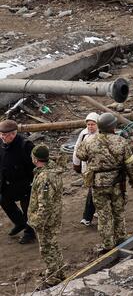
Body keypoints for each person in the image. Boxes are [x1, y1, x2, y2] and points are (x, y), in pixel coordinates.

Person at [75, 113, 133, 253]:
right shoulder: (121, 141)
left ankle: (107, 244)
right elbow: (130, 164)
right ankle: (121, 238)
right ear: (113, 126)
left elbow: (80, 155)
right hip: (117, 183)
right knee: (118, 212)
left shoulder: (89, 141)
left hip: (98, 184)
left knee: (103, 215)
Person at [28, 144, 65, 287]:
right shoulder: (51, 170)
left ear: (35, 158)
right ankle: (59, 271)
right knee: (53, 244)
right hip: (54, 215)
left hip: (47, 219)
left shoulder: (45, 177)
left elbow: (45, 204)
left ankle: (53, 278)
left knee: (47, 248)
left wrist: (37, 221)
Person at [0, 119, 36, 244]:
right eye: (1, 134)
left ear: (13, 134)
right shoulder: (1, 143)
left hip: (26, 184)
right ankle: (20, 223)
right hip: (7, 183)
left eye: (5, 135)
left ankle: (30, 233)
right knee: (4, 200)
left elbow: (36, 165)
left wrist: (34, 182)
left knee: (28, 209)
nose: (2, 137)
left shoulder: (25, 145)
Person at [72, 112, 99, 226]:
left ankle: (87, 217)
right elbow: (77, 149)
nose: (90, 127)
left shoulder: (102, 135)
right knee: (95, 191)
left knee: (93, 192)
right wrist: (76, 164)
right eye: (88, 124)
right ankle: (97, 210)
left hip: (99, 169)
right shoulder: (83, 134)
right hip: (86, 168)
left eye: (93, 124)